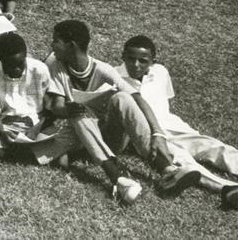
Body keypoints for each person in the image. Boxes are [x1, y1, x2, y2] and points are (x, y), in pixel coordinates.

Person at [45, 20, 200, 204]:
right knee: (78, 112)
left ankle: (166, 170)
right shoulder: (56, 65)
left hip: (110, 138)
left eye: (56, 41)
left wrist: (158, 133)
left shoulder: (103, 69)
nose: (52, 46)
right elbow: (56, 106)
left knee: (123, 98)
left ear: (70, 46)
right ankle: (117, 178)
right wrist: (66, 109)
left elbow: (137, 98)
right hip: (80, 135)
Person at [115, 36, 237, 208]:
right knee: (183, 160)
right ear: (123, 56)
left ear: (153, 61)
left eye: (142, 61)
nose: (136, 65)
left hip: (172, 124)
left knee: (214, 146)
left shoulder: (160, 72)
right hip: (147, 132)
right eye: (131, 59)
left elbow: (165, 99)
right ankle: (229, 189)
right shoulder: (114, 76)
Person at [0, 32, 62, 165]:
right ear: (0, 59)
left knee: (62, 140)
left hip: (37, 126)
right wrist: (3, 133)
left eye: (20, 64)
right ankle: (22, 152)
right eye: (10, 65)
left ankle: (6, 152)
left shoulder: (40, 69)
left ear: (26, 55)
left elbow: (49, 109)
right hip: (5, 128)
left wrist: (36, 129)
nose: (16, 69)